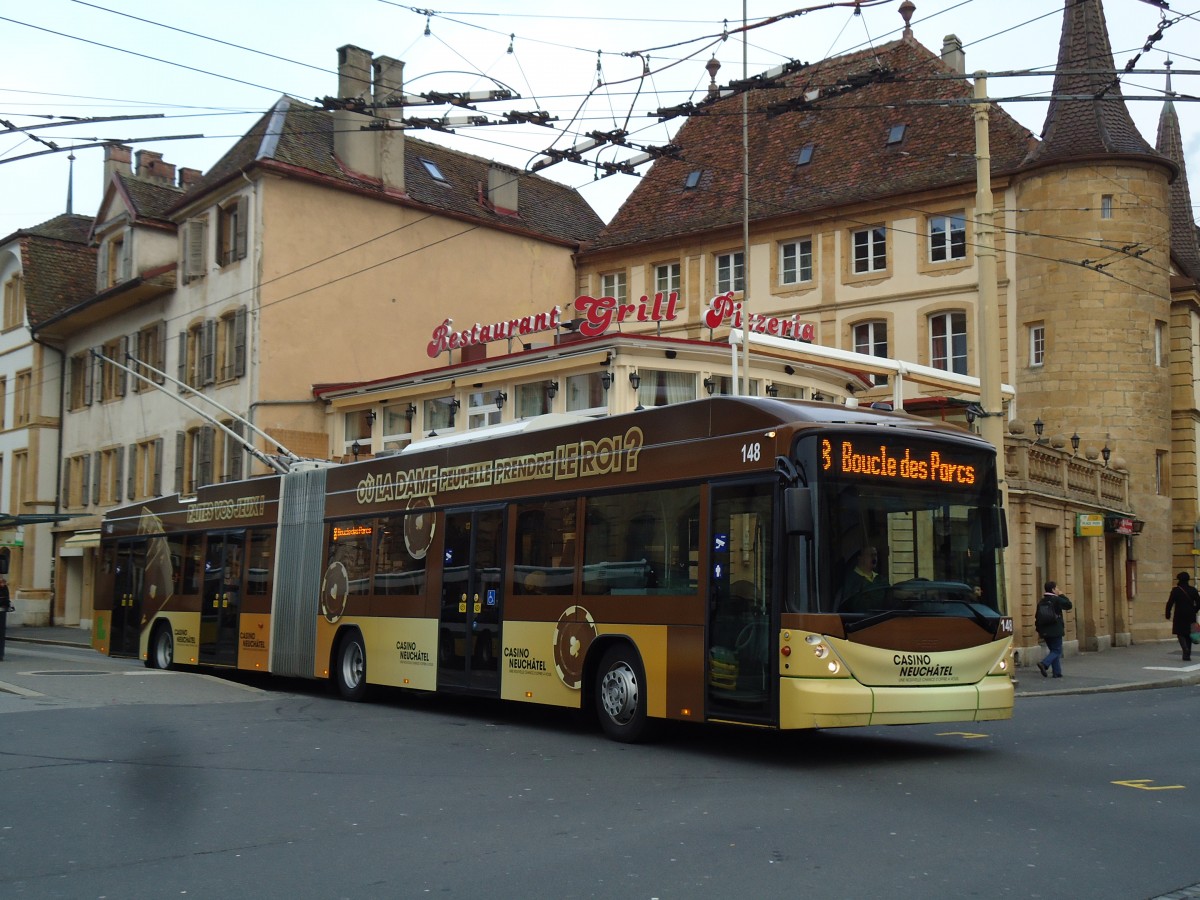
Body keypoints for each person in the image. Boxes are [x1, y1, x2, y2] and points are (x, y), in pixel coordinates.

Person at [1035, 580, 1072, 678]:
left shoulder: (1041, 601)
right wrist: (1062, 595)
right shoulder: (1056, 599)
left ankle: (1057, 672)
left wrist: (1039, 630)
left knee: (1053, 650)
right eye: (1057, 588)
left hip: (1045, 630)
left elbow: (1037, 617)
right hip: (1055, 629)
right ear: (1053, 589)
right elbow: (1069, 605)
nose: (1058, 590)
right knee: (1057, 651)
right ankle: (1044, 663)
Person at [1165, 571, 1199, 662]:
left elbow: (1170, 603)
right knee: (1189, 634)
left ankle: (1185, 649)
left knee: (1180, 633)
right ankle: (1187, 655)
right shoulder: (1193, 590)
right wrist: (1194, 610)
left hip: (1179, 614)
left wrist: (1167, 613)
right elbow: (1199, 603)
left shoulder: (1176, 590)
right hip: (1191, 615)